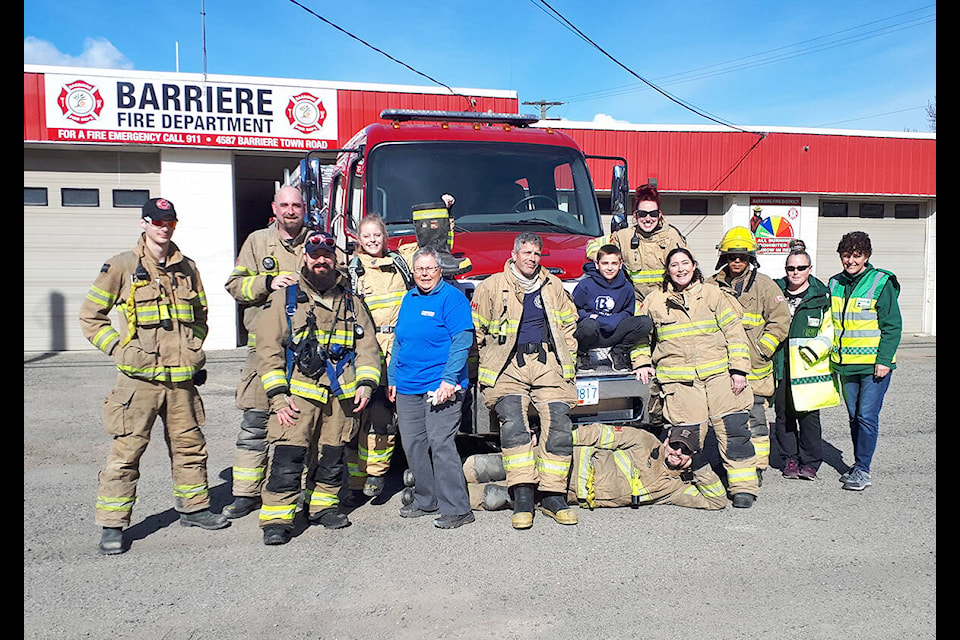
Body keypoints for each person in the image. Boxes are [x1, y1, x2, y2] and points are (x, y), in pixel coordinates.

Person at [79, 197, 229, 555]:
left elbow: (200, 315)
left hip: (181, 382)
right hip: (138, 381)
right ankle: (113, 525)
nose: (164, 228)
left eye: (170, 222)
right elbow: (90, 317)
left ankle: (194, 508)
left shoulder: (187, 268)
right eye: (158, 221)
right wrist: (119, 349)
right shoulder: (121, 266)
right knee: (126, 451)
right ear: (144, 223)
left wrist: (193, 347)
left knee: (191, 448)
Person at [254, 230, 381, 545]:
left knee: (332, 455)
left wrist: (365, 384)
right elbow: (268, 349)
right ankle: (277, 519)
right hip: (298, 397)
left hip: (341, 397)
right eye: (315, 255)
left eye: (327, 255)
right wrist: (279, 398)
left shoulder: (350, 301)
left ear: (335, 260)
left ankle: (322, 507)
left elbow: (368, 348)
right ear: (305, 258)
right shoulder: (286, 299)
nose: (321, 260)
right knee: (288, 456)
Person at [635, 247, 760, 508]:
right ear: (667, 270)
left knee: (735, 430)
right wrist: (642, 362)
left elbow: (734, 332)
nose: (680, 269)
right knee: (685, 437)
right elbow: (639, 337)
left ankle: (743, 486)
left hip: (719, 377)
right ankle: (695, 478)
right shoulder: (655, 300)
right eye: (674, 265)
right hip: (679, 382)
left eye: (685, 263)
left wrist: (738, 369)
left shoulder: (713, 294)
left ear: (693, 266)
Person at [471, 231, 580, 529]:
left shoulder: (553, 285)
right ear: (515, 254)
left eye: (536, 253)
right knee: (514, 423)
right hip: (507, 366)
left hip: (547, 363)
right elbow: (476, 333)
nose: (531, 258)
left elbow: (569, 325)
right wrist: (484, 370)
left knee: (559, 421)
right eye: (526, 253)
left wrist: (566, 358)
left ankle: (553, 495)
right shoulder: (491, 286)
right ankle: (522, 494)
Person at [222, 186, 309, 519]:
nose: (290, 211)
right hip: (264, 350)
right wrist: (266, 282)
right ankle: (245, 493)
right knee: (255, 421)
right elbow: (234, 285)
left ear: (304, 209)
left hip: (306, 352)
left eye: (296, 205)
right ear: (274, 208)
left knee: (299, 425)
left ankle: (291, 490)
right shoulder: (257, 242)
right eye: (284, 205)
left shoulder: (316, 243)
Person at [585, 183, 687, 431]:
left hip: (666, 305)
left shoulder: (672, 237)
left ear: (660, 215)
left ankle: (674, 421)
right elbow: (591, 248)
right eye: (643, 214)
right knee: (641, 359)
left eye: (653, 214)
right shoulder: (622, 237)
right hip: (639, 306)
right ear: (635, 216)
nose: (648, 219)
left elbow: (684, 268)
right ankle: (645, 419)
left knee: (672, 362)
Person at [387, 245, 475, 529]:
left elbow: (462, 341)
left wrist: (450, 380)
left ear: (439, 271)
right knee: (412, 444)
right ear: (413, 272)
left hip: (441, 387)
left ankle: (458, 508)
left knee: (440, 443)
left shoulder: (452, 299)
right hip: (408, 385)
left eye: (430, 268)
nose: (425, 273)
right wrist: (392, 378)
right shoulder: (409, 298)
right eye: (420, 269)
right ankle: (427, 499)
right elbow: (400, 342)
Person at [463, 423, 728, 511]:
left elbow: (716, 501)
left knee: (495, 498)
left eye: (684, 452)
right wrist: (554, 440)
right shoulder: (644, 441)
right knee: (490, 466)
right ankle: (431, 476)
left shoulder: (673, 489)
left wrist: (702, 468)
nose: (676, 453)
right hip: (560, 462)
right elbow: (599, 434)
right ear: (667, 439)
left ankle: (445, 496)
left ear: (691, 456)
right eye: (675, 445)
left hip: (561, 495)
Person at [707, 226, 790, 485]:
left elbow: (780, 321)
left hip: (755, 369)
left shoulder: (765, 286)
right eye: (732, 257)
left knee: (755, 419)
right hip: (722, 366)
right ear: (725, 258)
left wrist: (762, 349)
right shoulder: (711, 286)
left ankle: (757, 466)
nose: (737, 262)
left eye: (743, 257)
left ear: (751, 258)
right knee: (726, 420)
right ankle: (731, 461)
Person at [342, 214, 414, 502]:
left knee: (383, 416)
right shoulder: (351, 270)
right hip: (364, 350)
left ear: (386, 237)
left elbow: (434, 244)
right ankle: (354, 481)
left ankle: (376, 473)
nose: (373, 240)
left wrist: (444, 212)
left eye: (377, 235)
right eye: (367, 236)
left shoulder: (400, 264)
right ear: (358, 239)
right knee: (356, 417)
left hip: (396, 348)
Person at [828, 231, 902, 491]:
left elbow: (892, 326)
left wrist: (883, 360)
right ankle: (859, 462)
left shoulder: (881, 282)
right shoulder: (834, 283)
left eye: (856, 255)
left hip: (874, 367)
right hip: (846, 365)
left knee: (866, 416)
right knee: (853, 417)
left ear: (866, 256)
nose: (850, 261)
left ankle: (862, 470)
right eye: (846, 255)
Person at [772, 245, 840, 481]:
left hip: (808, 366)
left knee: (809, 417)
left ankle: (810, 462)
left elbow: (831, 328)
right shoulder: (775, 291)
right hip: (780, 364)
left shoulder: (823, 296)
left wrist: (815, 350)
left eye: (801, 267)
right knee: (783, 415)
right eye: (790, 268)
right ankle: (790, 458)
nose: (795, 272)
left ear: (810, 268)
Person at [572, 244, 653, 372]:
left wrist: (613, 320)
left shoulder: (626, 287)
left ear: (620, 265)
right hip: (592, 333)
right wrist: (595, 318)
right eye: (605, 263)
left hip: (614, 331)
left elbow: (627, 312)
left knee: (644, 322)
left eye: (614, 263)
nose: (609, 268)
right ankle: (582, 354)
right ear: (597, 264)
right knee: (588, 325)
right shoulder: (585, 285)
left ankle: (618, 352)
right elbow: (574, 310)